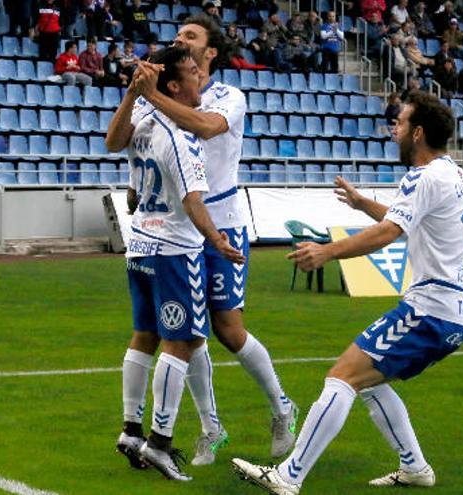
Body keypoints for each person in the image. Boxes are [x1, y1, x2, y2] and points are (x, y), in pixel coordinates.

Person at [232, 91, 463, 493]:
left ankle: (287, 477)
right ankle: (415, 467)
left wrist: (327, 251)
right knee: (371, 380)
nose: (393, 130)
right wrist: (365, 204)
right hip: (455, 313)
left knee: (342, 376)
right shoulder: (454, 174)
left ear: (417, 133)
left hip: (430, 309)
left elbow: (391, 231)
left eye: (399, 123)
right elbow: (410, 219)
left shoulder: (424, 175)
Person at [107, 13, 299, 467]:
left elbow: (206, 127)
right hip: (176, 228)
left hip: (222, 220)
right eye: (177, 35)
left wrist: (152, 95)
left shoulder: (228, 95)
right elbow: (127, 144)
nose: (180, 39)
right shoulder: (162, 92)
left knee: (228, 330)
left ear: (210, 52)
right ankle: (211, 427)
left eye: (191, 36)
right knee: (187, 335)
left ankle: (282, 407)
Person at [116, 46, 246, 482]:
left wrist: (134, 96)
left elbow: (114, 143)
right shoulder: (179, 134)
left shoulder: (147, 124)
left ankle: (130, 431)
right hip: (175, 250)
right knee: (183, 342)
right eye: (193, 73)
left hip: (140, 249)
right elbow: (193, 200)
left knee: (144, 336)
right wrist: (217, 240)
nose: (200, 81)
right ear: (173, 85)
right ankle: (160, 443)